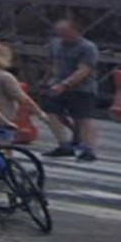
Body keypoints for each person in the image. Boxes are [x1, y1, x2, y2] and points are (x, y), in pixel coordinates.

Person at [40, 16, 102, 163]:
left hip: (82, 88)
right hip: (57, 83)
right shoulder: (56, 44)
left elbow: (84, 70)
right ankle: (64, 144)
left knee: (83, 118)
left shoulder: (87, 47)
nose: (62, 36)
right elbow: (53, 63)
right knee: (51, 113)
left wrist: (65, 84)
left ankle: (88, 150)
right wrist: (45, 81)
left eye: (65, 33)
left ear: (75, 31)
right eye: (59, 33)